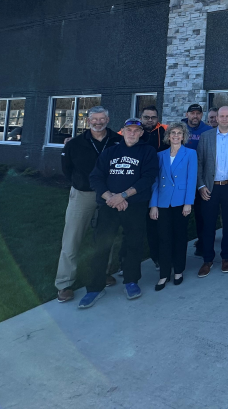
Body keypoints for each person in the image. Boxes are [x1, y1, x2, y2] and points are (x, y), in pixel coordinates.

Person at [79, 118, 157, 308]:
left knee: (133, 244)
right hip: (109, 206)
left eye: (136, 131)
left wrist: (122, 196)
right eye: (128, 130)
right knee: (100, 245)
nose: (132, 133)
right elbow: (96, 177)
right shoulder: (110, 152)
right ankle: (95, 288)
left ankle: (131, 281)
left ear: (140, 133)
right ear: (122, 132)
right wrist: (110, 198)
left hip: (135, 205)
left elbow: (147, 178)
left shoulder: (147, 152)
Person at [55, 106, 120, 303]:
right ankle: (64, 283)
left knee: (105, 236)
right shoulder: (75, 143)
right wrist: (81, 183)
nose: (98, 122)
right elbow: (67, 169)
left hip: (109, 196)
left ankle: (104, 273)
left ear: (108, 119)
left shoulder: (117, 140)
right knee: (72, 238)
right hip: (83, 194)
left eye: (102, 119)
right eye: (94, 119)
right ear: (88, 120)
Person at [195, 106, 228, 276]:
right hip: (210, 188)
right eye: (221, 116)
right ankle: (208, 259)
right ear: (216, 118)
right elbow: (200, 163)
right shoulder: (206, 137)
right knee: (208, 225)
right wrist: (201, 185)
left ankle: (226, 257)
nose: (224, 119)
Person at [149, 122, 197, 291]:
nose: (176, 136)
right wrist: (153, 205)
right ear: (168, 136)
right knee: (163, 238)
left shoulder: (190, 154)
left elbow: (192, 180)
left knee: (179, 236)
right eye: (173, 133)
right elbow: (155, 182)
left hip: (180, 201)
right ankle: (163, 273)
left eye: (179, 133)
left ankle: (178, 270)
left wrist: (188, 203)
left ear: (184, 136)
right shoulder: (160, 155)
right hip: (162, 202)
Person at [139, 105, 168, 268]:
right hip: (137, 185)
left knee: (155, 223)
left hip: (159, 184)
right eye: (146, 117)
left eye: (153, 117)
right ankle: (126, 261)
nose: (150, 120)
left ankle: (157, 257)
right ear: (141, 118)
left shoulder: (164, 132)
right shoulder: (133, 131)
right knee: (133, 226)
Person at [182, 103, 213, 257]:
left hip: (201, 179)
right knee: (182, 216)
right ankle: (179, 249)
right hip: (181, 179)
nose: (195, 116)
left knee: (202, 215)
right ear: (187, 114)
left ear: (202, 115)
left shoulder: (208, 130)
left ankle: (202, 245)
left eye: (198, 114)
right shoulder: (179, 129)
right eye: (192, 113)